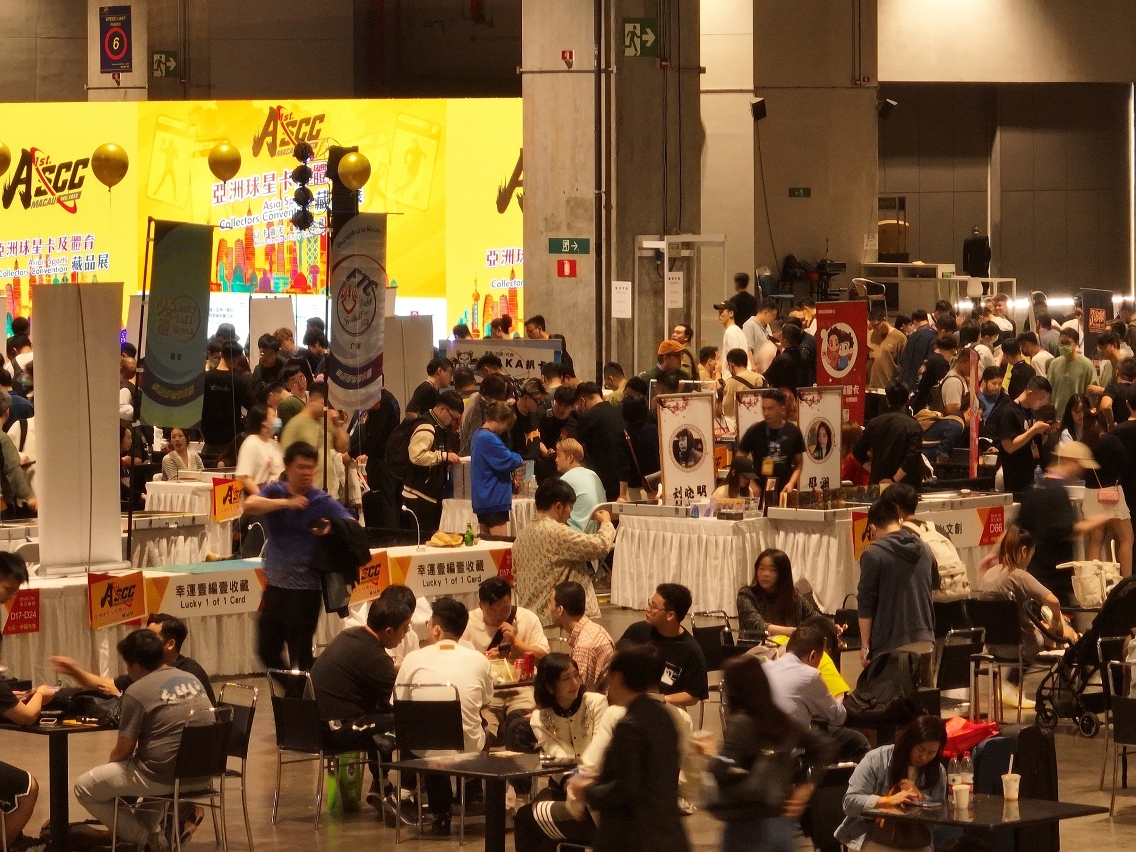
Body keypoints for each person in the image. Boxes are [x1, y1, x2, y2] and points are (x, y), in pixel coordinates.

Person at [74, 628, 212, 848]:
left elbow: (123, 750)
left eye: (128, 667)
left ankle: (149, 841)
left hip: (164, 777)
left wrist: (111, 771)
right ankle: (141, 842)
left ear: (136, 666)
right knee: (153, 776)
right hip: (205, 773)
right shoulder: (192, 679)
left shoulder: (137, 691)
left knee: (84, 788)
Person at [693, 654, 829, 852]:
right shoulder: (782, 721)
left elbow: (721, 768)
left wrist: (711, 752)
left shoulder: (741, 723)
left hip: (747, 827)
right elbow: (823, 746)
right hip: (781, 825)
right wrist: (805, 787)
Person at [244, 441, 352, 671]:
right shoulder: (275, 491)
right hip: (275, 586)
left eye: (310, 468)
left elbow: (351, 524)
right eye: (301, 467)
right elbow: (250, 504)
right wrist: (287, 503)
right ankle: (298, 690)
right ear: (288, 467)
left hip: (306, 590)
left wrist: (331, 527)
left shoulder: (320, 500)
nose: (306, 473)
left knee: (299, 656)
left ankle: (303, 691)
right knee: (265, 650)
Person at [573, 645, 691, 852]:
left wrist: (587, 791)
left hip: (635, 838)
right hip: (668, 832)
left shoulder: (630, 725)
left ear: (618, 678)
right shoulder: (665, 716)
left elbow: (627, 787)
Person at [395, 598, 493, 835]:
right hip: (466, 747)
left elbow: (398, 702)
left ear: (437, 629)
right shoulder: (479, 660)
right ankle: (472, 793)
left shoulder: (413, 658)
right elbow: (486, 700)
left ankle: (441, 813)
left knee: (431, 738)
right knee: (480, 725)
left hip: (421, 746)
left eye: (428, 623)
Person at [310, 594, 414, 815]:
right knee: (409, 722)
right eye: (404, 629)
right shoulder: (373, 656)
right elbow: (401, 695)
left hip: (313, 724)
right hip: (334, 731)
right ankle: (403, 792)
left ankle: (381, 784)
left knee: (383, 715)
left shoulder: (351, 636)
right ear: (388, 631)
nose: (406, 634)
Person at [513, 655, 609, 852]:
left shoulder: (596, 702)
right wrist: (571, 784)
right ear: (549, 686)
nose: (575, 683)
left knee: (527, 819)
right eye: (566, 678)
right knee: (530, 817)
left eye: (576, 675)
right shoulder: (540, 717)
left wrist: (580, 785)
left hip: (595, 791)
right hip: (565, 786)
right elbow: (558, 759)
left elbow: (599, 750)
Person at [977, 525, 1076, 707]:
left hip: (992, 647)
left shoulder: (989, 574)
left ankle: (1012, 685)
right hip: (1020, 648)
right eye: (1031, 555)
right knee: (1067, 637)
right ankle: (1064, 693)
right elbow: (1053, 601)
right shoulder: (1019, 576)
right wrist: (1057, 622)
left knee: (1042, 630)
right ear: (1023, 551)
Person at [836, 715, 948, 852]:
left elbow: (938, 820)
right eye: (920, 749)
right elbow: (849, 803)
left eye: (931, 753)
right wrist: (888, 801)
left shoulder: (937, 771)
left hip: (915, 838)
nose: (924, 757)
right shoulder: (877, 759)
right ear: (910, 742)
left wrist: (921, 799)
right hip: (870, 834)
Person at [1018, 441, 1111, 605]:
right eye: (1080, 465)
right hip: (1055, 577)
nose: (1082, 470)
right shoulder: (1058, 491)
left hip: (1035, 573)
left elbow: (1016, 526)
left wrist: (993, 554)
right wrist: (1095, 521)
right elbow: (1066, 531)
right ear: (1070, 461)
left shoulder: (1034, 486)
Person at [462, 576, 550, 743]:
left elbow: (544, 657)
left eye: (505, 608)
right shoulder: (468, 622)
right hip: (488, 693)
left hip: (522, 689)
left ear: (511, 600)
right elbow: (460, 661)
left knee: (517, 725)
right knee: (486, 734)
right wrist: (483, 659)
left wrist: (515, 642)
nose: (499, 615)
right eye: (492, 610)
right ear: (480, 605)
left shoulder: (527, 618)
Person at [513, 478, 614, 623]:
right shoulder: (556, 532)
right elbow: (601, 545)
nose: (570, 514)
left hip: (532, 619)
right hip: (559, 620)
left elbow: (516, 580)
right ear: (559, 507)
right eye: (570, 508)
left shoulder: (521, 536)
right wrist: (606, 522)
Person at [762, 627, 869, 763]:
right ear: (813, 655)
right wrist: (837, 701)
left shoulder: (765, 667)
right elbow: (838, 717)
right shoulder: (809, 675)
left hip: (764, 749)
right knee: (858, 741)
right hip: (792, 753)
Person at [856, 497, 936, 671]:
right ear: (900, 521)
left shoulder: (873, 554)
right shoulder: (925, 548)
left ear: (872, 528)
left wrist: (865, 645)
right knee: (923, 687)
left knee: (887, 688)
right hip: (925, 638)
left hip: (891, 643)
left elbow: (865, 603)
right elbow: (935, 585)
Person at [619, 583, 708, 707]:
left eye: (653, 606)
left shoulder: (691, 650)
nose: (647, 609)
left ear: (670, 615)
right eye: (649, 603)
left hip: (665, 706)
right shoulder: (637, 631)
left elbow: (692, 695)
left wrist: (658, 699)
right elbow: (615, 661)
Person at [401, 391, 465, 538]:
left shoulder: (437, 425)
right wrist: (443, 456)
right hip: (419, 494)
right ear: (442, 409)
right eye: (453, 417)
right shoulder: (427, 427)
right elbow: (416, 456)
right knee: (421, 540)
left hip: (427, 494)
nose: (453, 422)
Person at [988, 375, 1054, 495]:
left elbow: (1035, 443)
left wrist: (1045, 432)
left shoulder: (1033, 412)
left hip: (1033, 473)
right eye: (1041, 398)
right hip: (1015, 478)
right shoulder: (1008, 412)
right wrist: (1033, 430)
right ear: (1030, 393)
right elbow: (1009, 447)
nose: (1043, 403)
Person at [279, 380, 349, 491]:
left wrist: (337, 425)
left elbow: (343, 447)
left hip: (329, 490)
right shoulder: (295, 425)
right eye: (324, 403)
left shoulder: (326, 422)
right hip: (307, 491)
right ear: (313, 400)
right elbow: (285, 460)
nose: (327, 408)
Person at [852, 380, 923, 483]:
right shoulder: (914, 426)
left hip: (878, 483)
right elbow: (912, 457)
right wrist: (894, 480)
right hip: (905, 486)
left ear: (887, 400)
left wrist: (874, 471)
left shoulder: (874, 423)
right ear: (908, 399)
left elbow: (857, 450)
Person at [200, 341, 257, 467]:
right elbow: (253, 406)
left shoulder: (205, 378)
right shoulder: (239, 381)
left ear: (221, 353)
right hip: (232, 442)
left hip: (209, 440)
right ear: (237, 359)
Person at [550, 581, 615, 693]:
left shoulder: (583, 647)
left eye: (550, 603)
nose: (549, 607)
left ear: (560, 610)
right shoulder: (595, 628)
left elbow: (576, 692)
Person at [470, 400, 523, 537]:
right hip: (493, 498)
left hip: (483, 498)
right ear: (499, 419)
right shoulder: (488, 438)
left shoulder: (477, 435)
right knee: (500, 544)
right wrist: (519, 457)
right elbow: (509, 459)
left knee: (486, 545)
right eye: (507, 423)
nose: (506, 428)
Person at [736, 548, 817, 636]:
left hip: (788, 644)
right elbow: (760, 626)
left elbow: (816, 619)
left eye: (773, 570)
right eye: (761, 568)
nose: (766, 574)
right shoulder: (746, 595)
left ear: (782, 574)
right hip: (755, 644)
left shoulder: (793, 596)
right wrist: (797, 632)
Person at [738, 390, 805, 495]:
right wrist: (751, 482)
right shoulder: (755, 431)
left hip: (784, 488)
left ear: (782, 409)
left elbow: (799, 463)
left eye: (770, 409)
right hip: (758, 489)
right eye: (763, 408)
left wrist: (791, 483)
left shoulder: (793, 432)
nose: (766, 413)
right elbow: (739, 460)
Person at [574, 382, 630, 502]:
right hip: (624, 477)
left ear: (582, 401)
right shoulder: (619, 411)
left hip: (601, 477)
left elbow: (579, 449)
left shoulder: (587, 417)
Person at [554, 438, 607, 532]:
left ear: (570, 458)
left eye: (558, 456)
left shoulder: (565, 480)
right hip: (599, 531)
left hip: (577, 533)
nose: (556, 460)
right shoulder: (593, 474)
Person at [1047, 326, 1097, 420]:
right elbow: (1049, 390)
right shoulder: (1054, 364)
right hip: (1058, 416)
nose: (1064, 346)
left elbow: (1093, 393)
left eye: (1067, 343)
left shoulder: (1086, 365)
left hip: (1079, 416)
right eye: (1061, 343)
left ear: (1076, 343)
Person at [234, 404, 284, 494]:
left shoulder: (274, 444)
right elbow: (244, 477)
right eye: (273, 416)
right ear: (264, 421)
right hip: (259, 495)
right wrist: (261, 497)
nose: (277, 420)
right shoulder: (250, 443)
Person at [866, 310, 907, 389]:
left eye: (877, 325)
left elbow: (904, 366)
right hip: (871, 386)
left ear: (885, 320)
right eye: (872, 326)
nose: (874, 328)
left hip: (889, 387)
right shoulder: (869, 335)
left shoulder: (900, 338)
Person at [721, 347, 764, 421]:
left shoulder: (731, 382)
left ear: (731, 365)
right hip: (761, 420)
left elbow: (727, 410)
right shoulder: (761, 378)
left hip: (743, 422)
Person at [250, 332, 286, 401]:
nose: (265, 357)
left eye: (269, 354)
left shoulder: (284, 370)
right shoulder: (257, 370)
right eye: (262, 353)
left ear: (276, 354)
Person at [715, 298, 748, 367]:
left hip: (735, 372)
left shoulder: (731, 332)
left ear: (731, 313)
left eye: (721, 312)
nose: (719, 316)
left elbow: (735, 360)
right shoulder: (736, 330)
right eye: (719, 313)